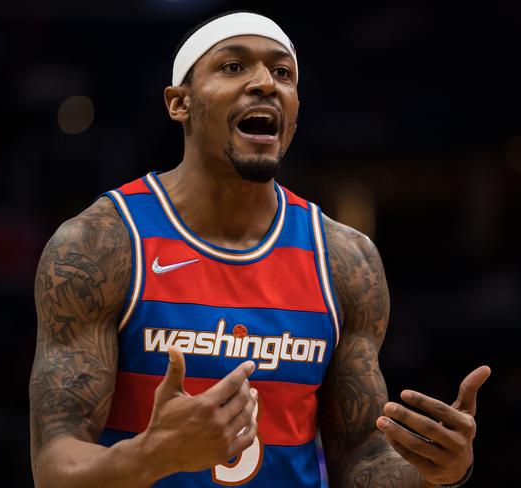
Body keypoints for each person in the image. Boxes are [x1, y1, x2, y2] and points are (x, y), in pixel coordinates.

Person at [29, 11, 490, 488]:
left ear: (294, 109)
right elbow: (53, 468)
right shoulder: (102, 242)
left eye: (282, 73)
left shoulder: (344, 258)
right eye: (233, 67)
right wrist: (151, 455)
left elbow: (360, 456)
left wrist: (438, 473)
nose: (265, 84)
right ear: (179, 103)